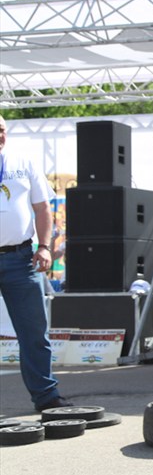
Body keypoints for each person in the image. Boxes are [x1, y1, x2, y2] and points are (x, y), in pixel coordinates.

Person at [0, 114, 72, 411]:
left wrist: (43, 247)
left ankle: (46, 397)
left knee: (34, 332)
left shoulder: (23, 161)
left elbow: (43, 208)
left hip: (21, 258)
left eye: (1, 130)